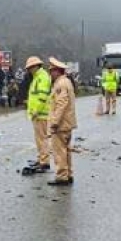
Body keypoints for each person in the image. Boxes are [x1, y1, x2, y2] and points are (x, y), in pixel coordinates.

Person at [46, 57, 77, 186]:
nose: (50, 74)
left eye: (51, 71)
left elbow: (61, 104)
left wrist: (54, 122)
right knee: (66, 150)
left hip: (61, 124)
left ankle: (61, 176)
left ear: (57, 71)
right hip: (67, 123)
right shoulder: (67, 82)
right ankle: (68, 174)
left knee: (59, 151)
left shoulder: (60, 84)